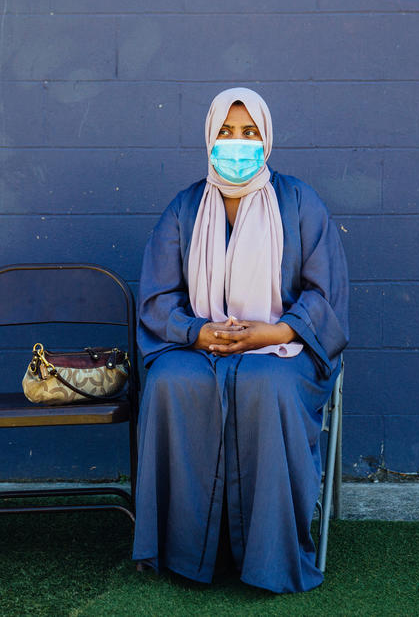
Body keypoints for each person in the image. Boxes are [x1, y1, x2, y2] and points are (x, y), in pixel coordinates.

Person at [132, 87, 349, 593]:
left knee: (267, 384)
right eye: (226, 133)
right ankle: (185, 551)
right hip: (202, 346)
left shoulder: (299, 201)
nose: (237, 143)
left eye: (249, 132)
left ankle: (269, 557)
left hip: (284, 348)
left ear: (267, 139)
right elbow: (157, 297)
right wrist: (199, 332)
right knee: (168, 380)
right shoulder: (186, 207)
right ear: (209, 138)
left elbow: (325, 294)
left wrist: (270, 332)